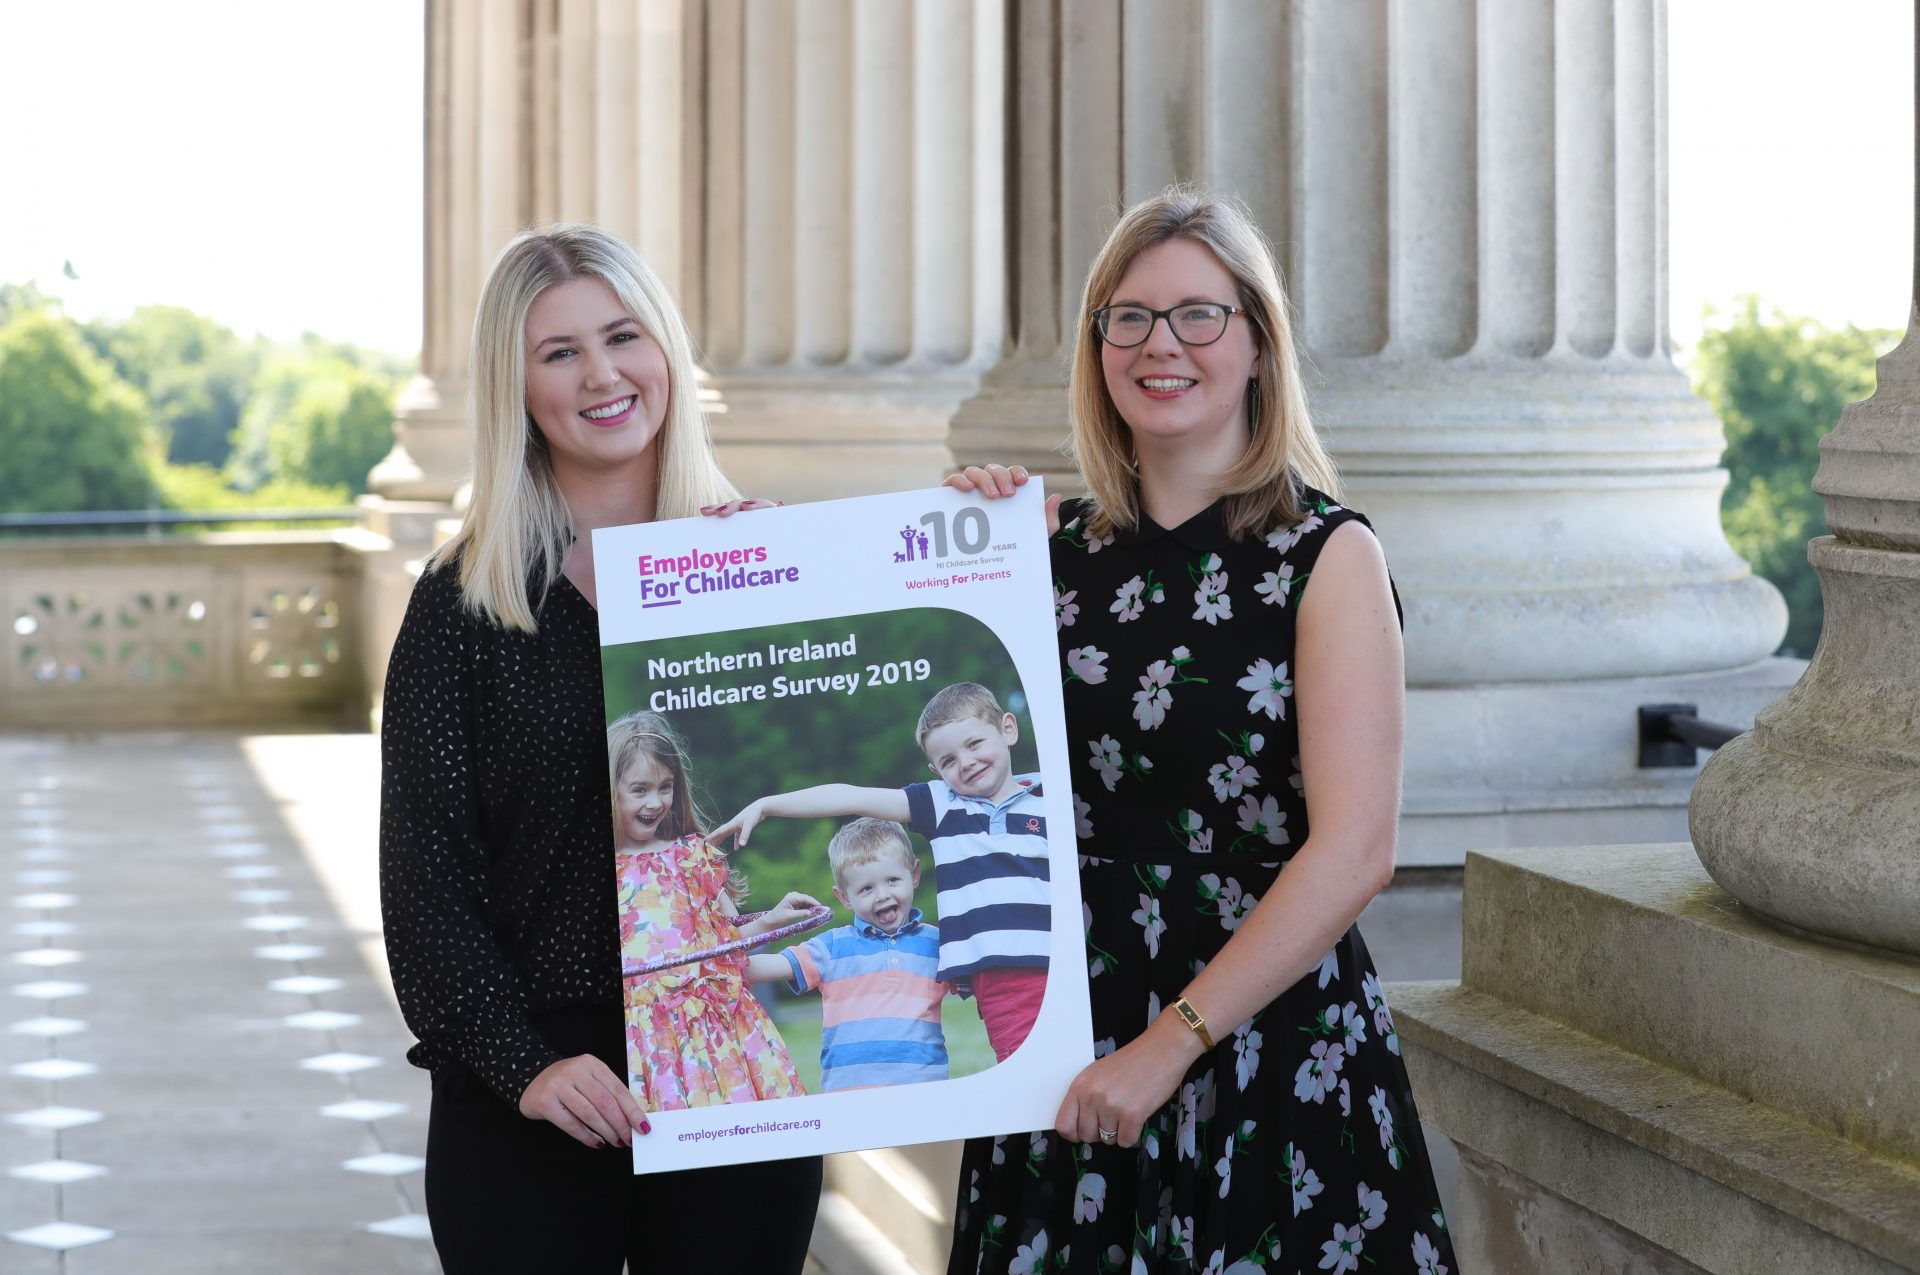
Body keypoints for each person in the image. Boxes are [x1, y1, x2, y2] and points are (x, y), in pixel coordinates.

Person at [944, 186, 1458, 1274]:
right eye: (1126, 317)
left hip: (1264, 1043)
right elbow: (912, 731)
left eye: (1197, 315)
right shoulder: (1040, 553)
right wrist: (939, 551)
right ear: (1097, 348)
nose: (1158, 344)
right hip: (1065, 1043)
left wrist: (1168, 1045)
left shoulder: (1328, 556)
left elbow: (1358, 848)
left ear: (1259, 346)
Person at [378, 223, 822, 1274]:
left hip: (724, 1070)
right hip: (533, 1089)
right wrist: (523, 1063)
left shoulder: (773, 570)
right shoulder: (464, 605)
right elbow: (426, 872)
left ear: (665, 349)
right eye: (559, 352)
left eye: (623, 337)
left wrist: (988, 518)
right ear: (515, 387)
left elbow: (910, 637)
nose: (603, 375)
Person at [715, 681, 1051, 1062]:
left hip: (1064, 961)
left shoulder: (1051, 796)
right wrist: (767, 805)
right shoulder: (943, 804)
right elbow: (850, 795)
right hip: (1006, 984)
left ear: (1008, 728)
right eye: (948, 761)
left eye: (974, 744)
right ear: (935, 770)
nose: (966, 763)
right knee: (1036, 1079)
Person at [608, 711, 817, 1110]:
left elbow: (726, 950)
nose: (656, 802)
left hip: (718, 1035)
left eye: (665, 787)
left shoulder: (692, 858)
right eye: (640, 790)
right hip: (646, 1046)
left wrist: (770, 919)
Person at [746, 817, 952, 1091]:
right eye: (866, 888)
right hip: (848, 1100)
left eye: (892, 880)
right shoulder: (832, 947)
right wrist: (718, 959)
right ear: (844, 897)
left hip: (924, 1093)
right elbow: (759, 967)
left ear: (914, 875)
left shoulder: (939, 943)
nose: (881, 895)